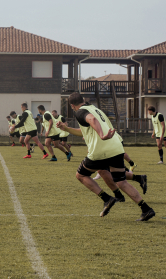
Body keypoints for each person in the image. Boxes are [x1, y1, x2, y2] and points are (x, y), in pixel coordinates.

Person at [57, 92, 155, 221]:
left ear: (72, 105)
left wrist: (101, 135)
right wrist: (67, 128)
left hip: (101, 150)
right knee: (120, 181)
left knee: (81, 175)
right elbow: (86, 130)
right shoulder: (95, 109)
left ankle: (107, 199)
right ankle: (146, 209)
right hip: (116, 147)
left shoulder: (80, 112)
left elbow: (92, 120)